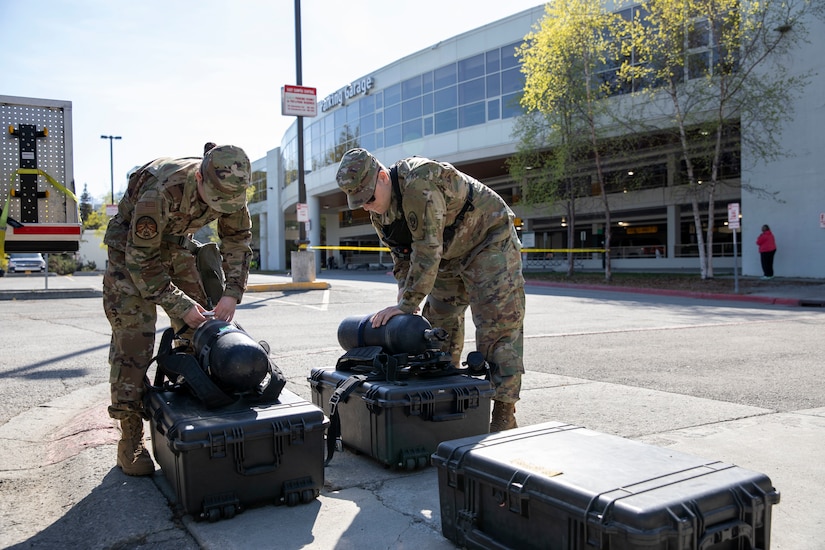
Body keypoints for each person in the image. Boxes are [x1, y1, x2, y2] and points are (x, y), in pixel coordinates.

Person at [335, 148, 525, 431]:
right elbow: (402, 259)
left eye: (369, 197)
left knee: (497, 328)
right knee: (435, 329)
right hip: (447, 254)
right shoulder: (380, 213)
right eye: (359, 202)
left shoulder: (418, 181)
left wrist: (406, 304)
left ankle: (503, 414)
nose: (367, 206)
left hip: (487, 239)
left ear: (384, 177)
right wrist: (404, 299)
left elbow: (426, 249)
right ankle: (448, 401)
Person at [103, 143, 253, 475]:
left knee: (201, 331)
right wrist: (180, 305)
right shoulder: (162, 191)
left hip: (177, 247)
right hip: (130, 254)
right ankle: (130, 438)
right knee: (134, 341)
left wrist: (231, 293)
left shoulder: (232, 188)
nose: (222, 207)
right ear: (200, 177)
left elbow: (238, 240)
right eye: (215, 200)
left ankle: (196, 408)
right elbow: (141, 261)